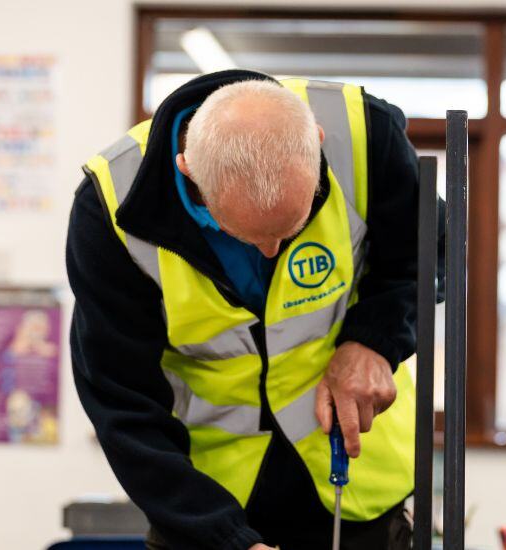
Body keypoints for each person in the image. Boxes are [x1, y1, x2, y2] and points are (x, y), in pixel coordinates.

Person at [66, 70, 443, 550]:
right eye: (243, 234)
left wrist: (374, 341)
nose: (270, 252)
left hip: (358, 485)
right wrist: (220, 536)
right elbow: (121, 400)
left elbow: (426, 254)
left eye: (290, 228)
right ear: (187, 168)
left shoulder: (363, 135)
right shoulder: (110, 208)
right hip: (204, 499)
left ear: (318, 145)